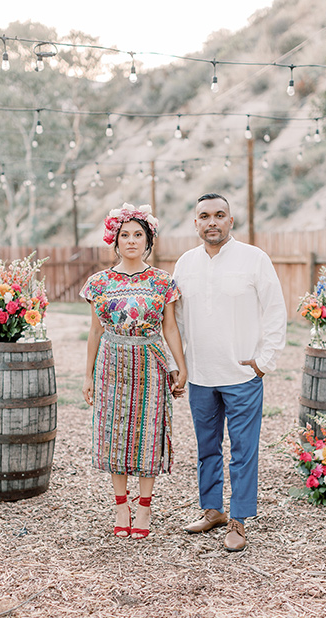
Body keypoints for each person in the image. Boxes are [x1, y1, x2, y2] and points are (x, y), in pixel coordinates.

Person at [172, 193, 287, 552]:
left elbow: (275, 311)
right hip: (201, 374)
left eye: (219, 215)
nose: (212, 222)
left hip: (241, 375)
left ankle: (238, 519)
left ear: (231, 220)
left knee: (242, 450)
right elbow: (174, 321)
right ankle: (212, 510)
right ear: (195, 223)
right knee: (207, 448)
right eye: (204, 216)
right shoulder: (185, 264)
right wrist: (180, 365)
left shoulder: (254, 259)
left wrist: (263, 360)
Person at [81, 202, 187, 540]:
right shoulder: (99, 283)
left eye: (138, 235)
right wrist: (87, 375)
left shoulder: (162, 282)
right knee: (114, 433)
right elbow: (95, 331)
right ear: (115, 240)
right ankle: (120, 505)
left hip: (150, 364)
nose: (131, 241)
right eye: (124, 235)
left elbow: (170, 328)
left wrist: (180, 367)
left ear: (148, 240)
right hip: (111, 364)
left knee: (147, 432)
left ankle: (144, 507)